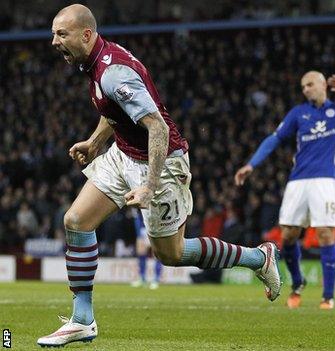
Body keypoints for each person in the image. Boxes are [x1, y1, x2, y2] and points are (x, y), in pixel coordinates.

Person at [39, 4, 281, 347]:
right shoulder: (97, 62)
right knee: (77, 221)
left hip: (162, 162)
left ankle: (258, 257)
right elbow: (117, 110)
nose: (54, 41)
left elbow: (157, 128)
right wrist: (95, 143)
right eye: (53, 33)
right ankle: (82, 320)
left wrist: (149, 186)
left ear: (87, 34)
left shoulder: (112, 72)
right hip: (124, 154)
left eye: (61, 34)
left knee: (171, 254)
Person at [235, 71, 335, 309]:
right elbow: (274, 139)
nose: (306, 89)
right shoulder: (298, 113)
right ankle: (297, 283)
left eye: (310, 84)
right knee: (288, 235)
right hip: (297, 181)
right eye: (303, 86)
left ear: (323, 85)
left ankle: (327, 297)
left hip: (325, 181)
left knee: (325, 235)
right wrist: (251, 164)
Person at [129, 208, 162, 289]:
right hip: (142, 229)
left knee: (157, 255)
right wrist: (139, 233)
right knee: (141, 254)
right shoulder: (137, 204)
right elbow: (137, 217)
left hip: (154, 229)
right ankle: (142, 278)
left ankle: (156, 279)